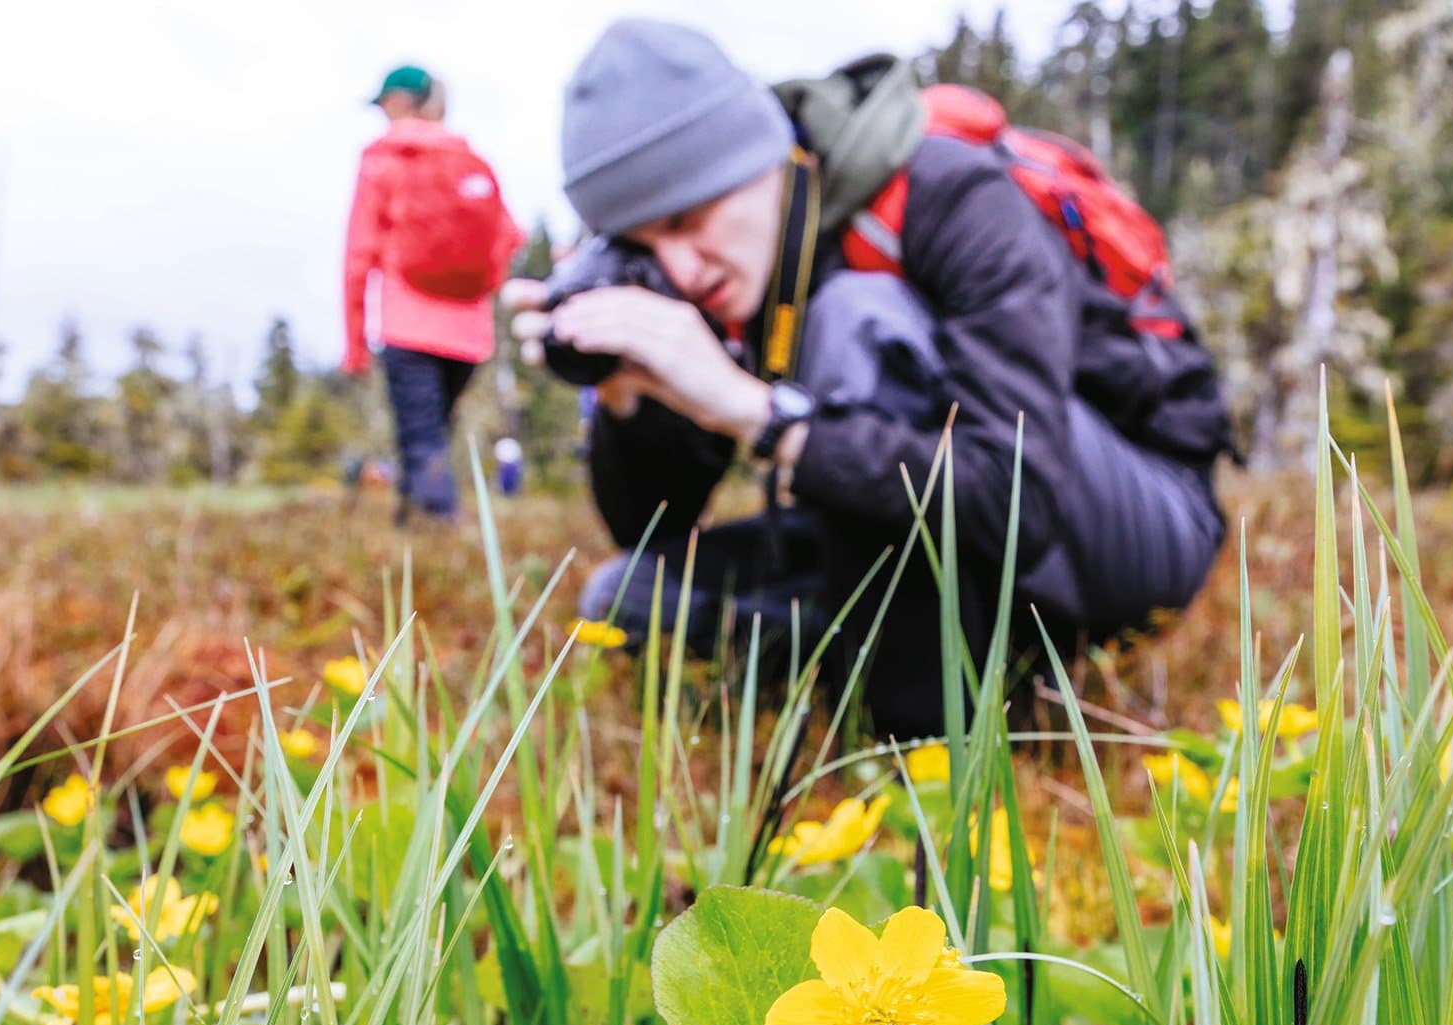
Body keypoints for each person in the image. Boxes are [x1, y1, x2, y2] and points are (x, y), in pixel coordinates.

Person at [507, 20, 1233, 740]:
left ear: (760, 157)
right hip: (930, 531)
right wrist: (631, 394)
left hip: (1132, 521)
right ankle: (974, 672)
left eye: (687, 217)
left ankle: (924, 741)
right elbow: (652, 527)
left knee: (855, 319)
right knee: (629, 598)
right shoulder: (724, 269)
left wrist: (764, 417)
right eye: (644, 247)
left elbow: (1016, 500)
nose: (683, 268)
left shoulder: (951, 194)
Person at [343, 65, 524, 522]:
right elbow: (509, 238)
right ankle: (413, 527)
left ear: (399, 103)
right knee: (431, 433)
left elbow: (358, 254)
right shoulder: (473, 161)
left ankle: (439, 531)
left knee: (421, 437)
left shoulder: (383, 159)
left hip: (408, 324)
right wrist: (480, 290)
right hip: (469, 334)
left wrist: (355, 343)